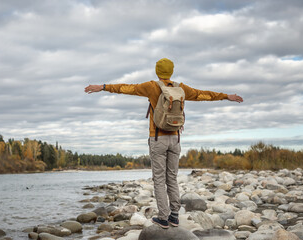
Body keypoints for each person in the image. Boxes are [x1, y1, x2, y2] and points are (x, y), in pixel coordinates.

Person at [84, 58, 243, 229]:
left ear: (157, 71)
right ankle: (175, 215)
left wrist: (103, 87)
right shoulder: (180, 88)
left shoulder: (151, 86)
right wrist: (227, 96)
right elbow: (202, 94)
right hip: (175, 139)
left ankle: (163, 217)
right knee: (172, 178)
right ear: (171, 72)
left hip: (158, 138)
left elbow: (126, 88)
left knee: (159, 180)